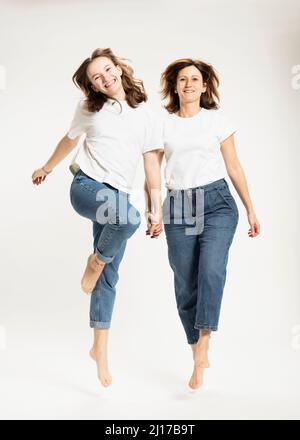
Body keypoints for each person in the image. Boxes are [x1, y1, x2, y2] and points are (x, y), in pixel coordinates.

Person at [32, 48, 162, 387]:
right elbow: (68, 140)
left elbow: (151, 165)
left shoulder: (145, 115)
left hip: (117, 197)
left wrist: (155, 209)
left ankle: (99, 351)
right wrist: (47, 167)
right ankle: (95, 259)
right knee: (127, 223)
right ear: (93, 86)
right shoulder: (89, 108)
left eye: (107, 70)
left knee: (109, 277)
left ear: (118, 68)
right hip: (87, 186)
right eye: (96, 77)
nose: (105, 78)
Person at [145, 57, 260, 390]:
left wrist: (250, 208)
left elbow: (234, 166)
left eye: (195, 79)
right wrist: (154, 210)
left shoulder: (218, 122)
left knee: (210, 271)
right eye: (182, 79)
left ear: (204, 85)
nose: (189, 84)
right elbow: (152, 173)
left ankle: (203, 348)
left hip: (218, 204)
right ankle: (196, 350)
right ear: (175, 86)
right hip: (178, 205)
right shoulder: (162, 125)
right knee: (185, 283)